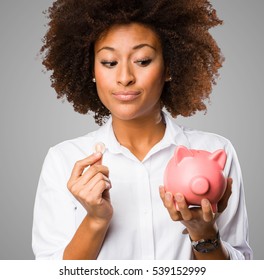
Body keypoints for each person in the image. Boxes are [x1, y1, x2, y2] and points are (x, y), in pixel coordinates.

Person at [32, 0, 253, 260]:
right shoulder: (64, 160)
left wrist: (202, 232)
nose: (125, 77)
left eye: (143, 60)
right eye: (109, 62)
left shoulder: (215, 152)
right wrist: (94, 220)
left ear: (169, 67)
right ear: (91, 69)